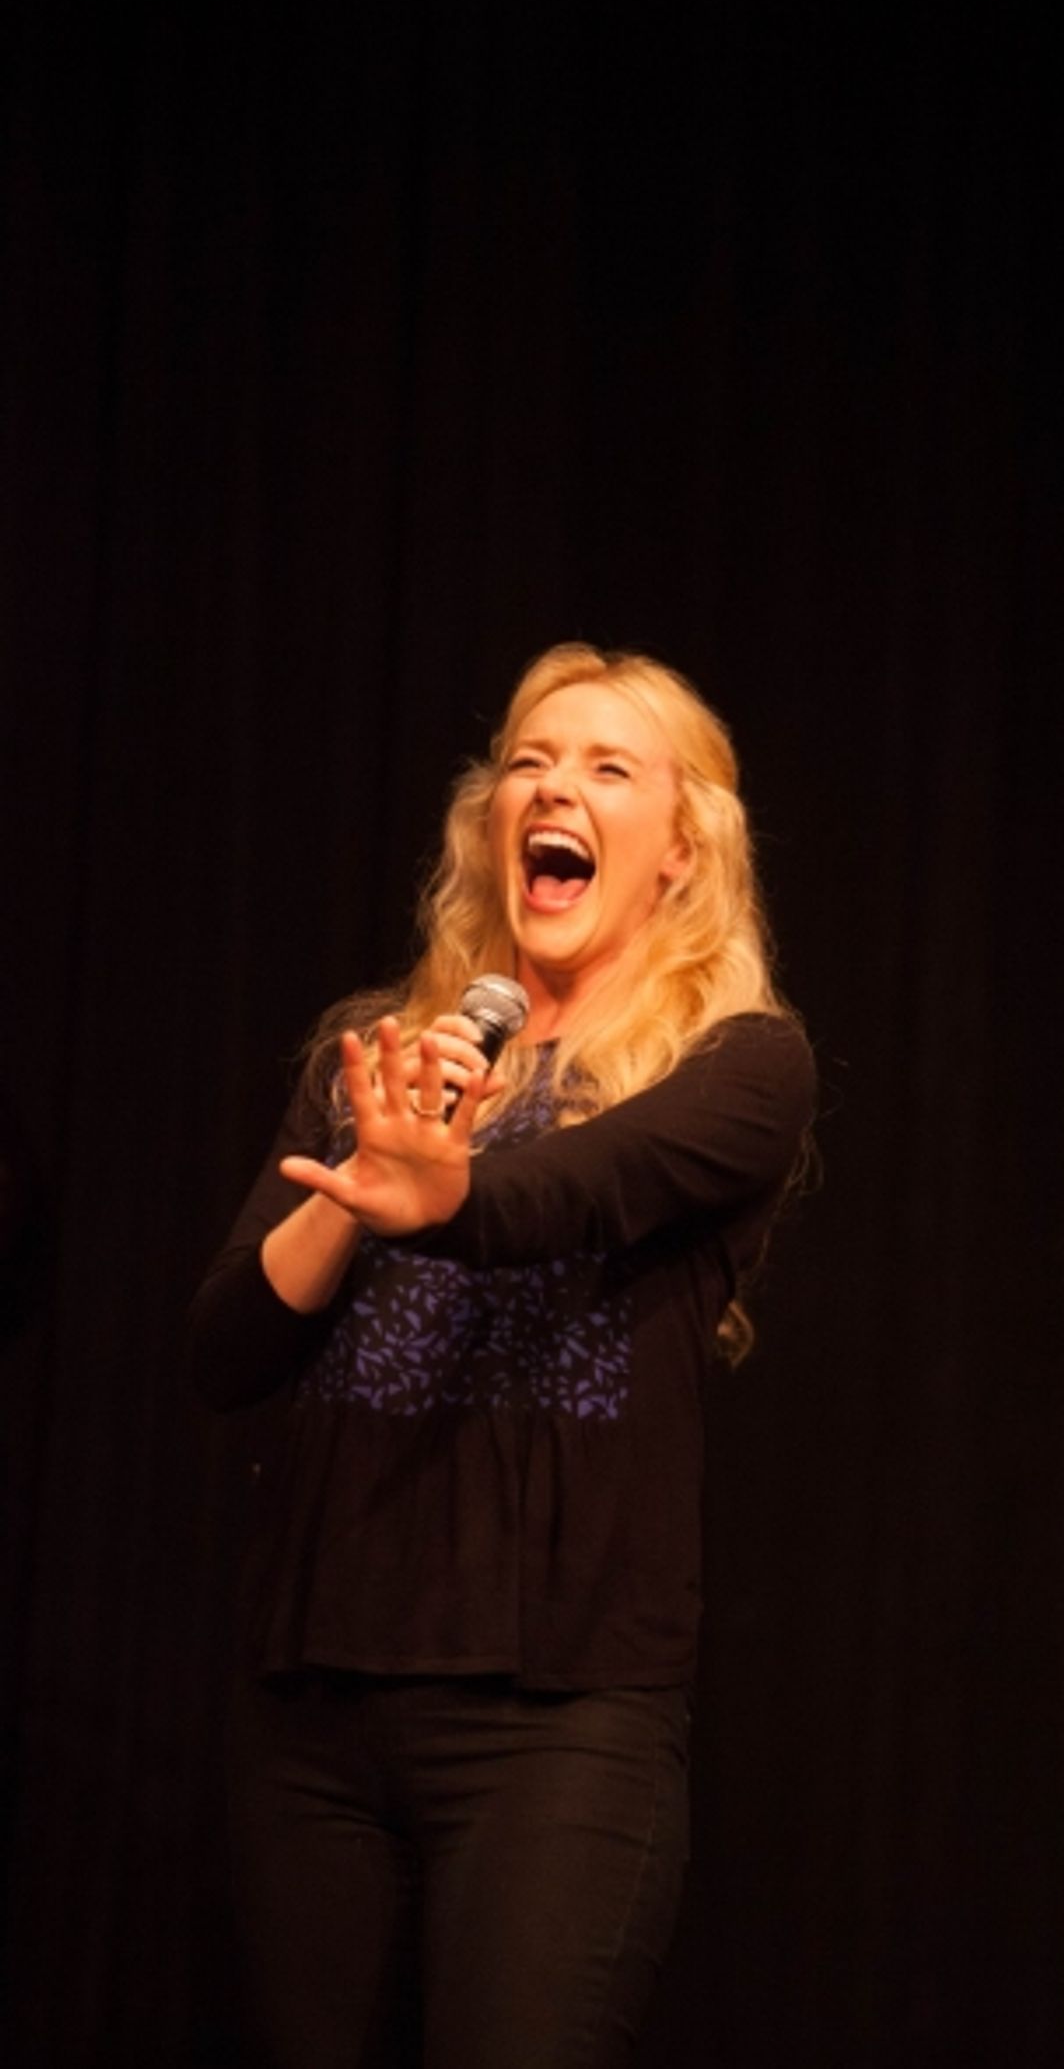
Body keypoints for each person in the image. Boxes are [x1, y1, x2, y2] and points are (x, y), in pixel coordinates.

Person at [188, 642, 815, 2069]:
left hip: (555, 1724)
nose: (555, 788)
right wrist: (358, 1186)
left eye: (607, 768)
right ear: (492, 821)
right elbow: (228, 1351)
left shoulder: (735, 1066)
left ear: (677, 850)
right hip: (313, 1705)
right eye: (530, 760)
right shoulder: (375, 1053)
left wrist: (446, 1192)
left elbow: (566, 1198)